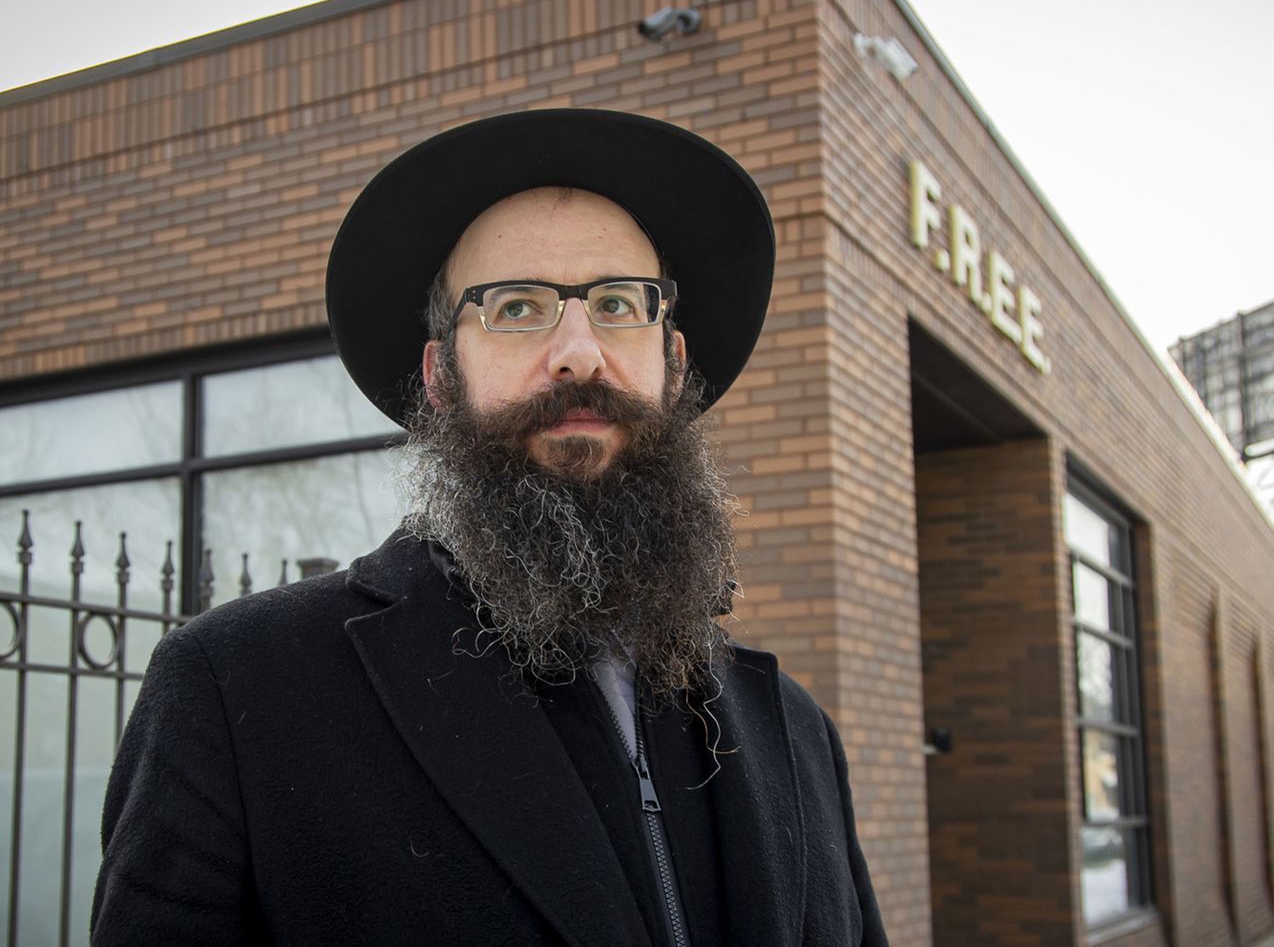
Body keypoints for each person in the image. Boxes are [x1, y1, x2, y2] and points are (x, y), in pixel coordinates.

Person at [91, 109, 888, 946]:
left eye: (620, 304)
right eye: (516, 308)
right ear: (440, 377)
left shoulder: (797, 735)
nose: (580, 353)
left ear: (674, 362)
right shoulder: (239, 689)